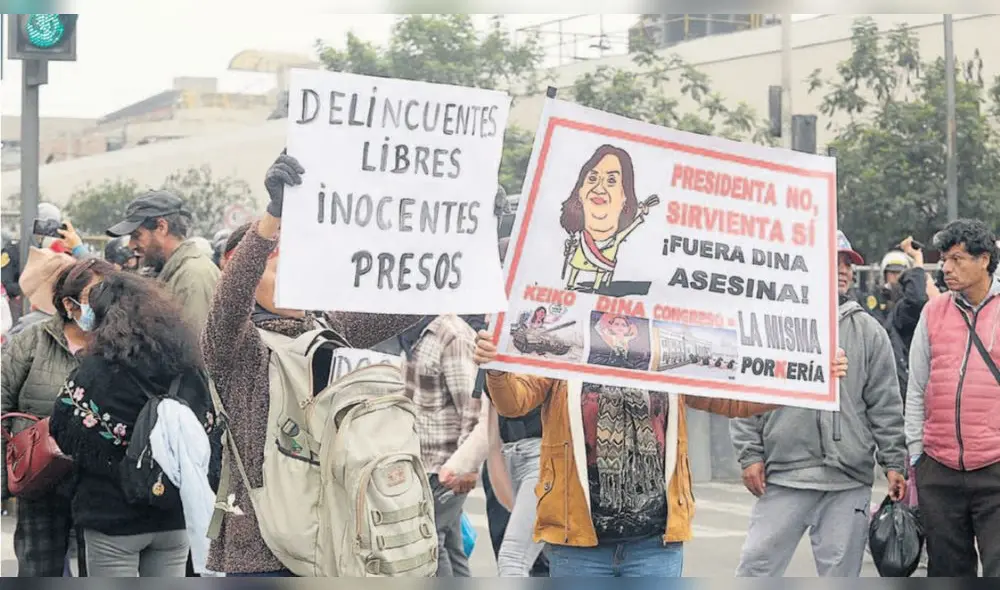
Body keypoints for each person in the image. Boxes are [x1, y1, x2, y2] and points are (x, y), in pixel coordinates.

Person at [201, 153, 423, 577]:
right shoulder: (234, 346)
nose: (288, 271)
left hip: (334, 538)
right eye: (273, 262)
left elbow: (411, 303)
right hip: (261, 551)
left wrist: (475, 240)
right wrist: (272, 217)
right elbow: (229, 299)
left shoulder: (325, 329)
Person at [471, 338, 832, 577]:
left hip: (655, 545)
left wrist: (811, 381)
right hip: (578, 544)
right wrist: (497, 368)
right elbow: (512, 403)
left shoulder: (668, 345)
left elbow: (732, 399)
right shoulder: (566, 340)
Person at [730, 230, 907, 578]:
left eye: (848, 263)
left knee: (841, 578)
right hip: (784, 475)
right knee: (756, 570)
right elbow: (745, 392)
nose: (843, 270)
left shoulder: (869, 332)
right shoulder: (770, 324)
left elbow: (884, 403)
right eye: (834, 261)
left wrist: (893, 461)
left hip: (848, 480)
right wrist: (750, 454)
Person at [49, 270, 215, 577]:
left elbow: (61, 428)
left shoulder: (96, 371)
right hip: (173, 515)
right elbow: (208, 427)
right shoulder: (189, 368)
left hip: (112, 517)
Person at [1, 257, 112, 577]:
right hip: (40, 482)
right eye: (96, 296)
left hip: (100, 486)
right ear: (69, 302)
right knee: (39, 569)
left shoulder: (119, 345)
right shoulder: (32, 342)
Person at [905, 219, 1000, 577]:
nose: (946, 268)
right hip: (939, 469)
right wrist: (917, 453)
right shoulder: (934, 312)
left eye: (958, 259)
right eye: (944, 259)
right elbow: (916, 386)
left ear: (984, 260)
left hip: (994, 466)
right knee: (947, 572)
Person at [105, 191, 220, 332]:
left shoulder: (194, 277)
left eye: (136, 235)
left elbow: (195, 347)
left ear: (161, 227)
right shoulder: (171, 272)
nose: (131, 245)